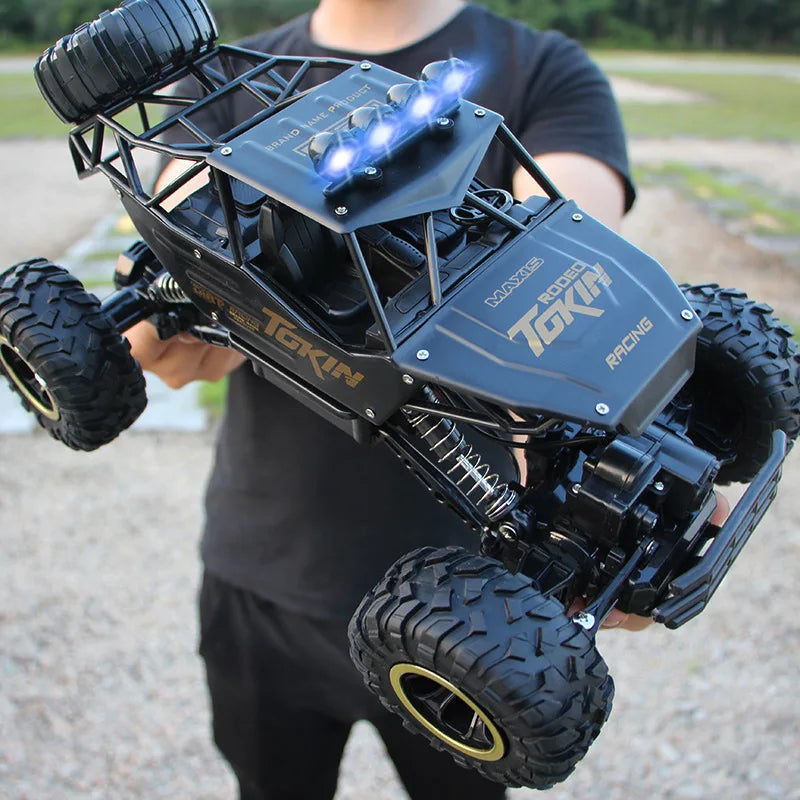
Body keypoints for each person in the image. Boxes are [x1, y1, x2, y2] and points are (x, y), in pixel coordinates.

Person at [124, 1, 662, 796]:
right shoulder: (226, 82)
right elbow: (175, 278)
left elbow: (574, 266)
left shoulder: (541, 70)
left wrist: (632, 464)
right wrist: (192, 306)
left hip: (475, 610)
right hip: (267, 579)